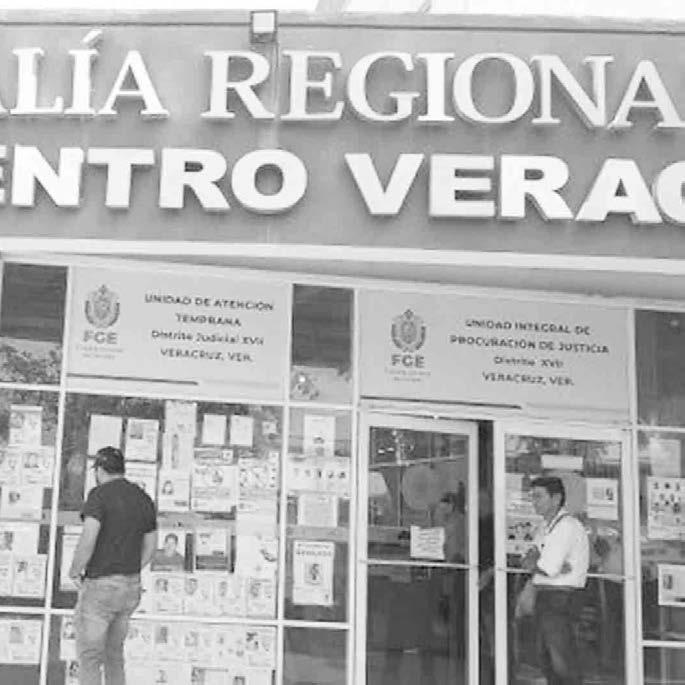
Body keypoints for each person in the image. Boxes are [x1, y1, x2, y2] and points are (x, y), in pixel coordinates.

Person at [68, 446, 157, 685]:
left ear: (99, 470)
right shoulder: (143, 498)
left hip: (100, 587)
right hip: (130, 587)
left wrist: (75, 570)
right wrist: (128, 571)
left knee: (90, 657)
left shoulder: (99, 495)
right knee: (114, 655)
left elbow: (88, 538)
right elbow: (150, 547)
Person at [522, 476, 589, 685]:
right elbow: (528, 559)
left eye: (539, 496)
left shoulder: (566, 526)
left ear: (556, 498)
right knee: (546, 658)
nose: (534, 502)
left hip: (561, 597)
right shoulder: (545, 526)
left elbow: (546, 567)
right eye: (532, 497)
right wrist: (541, 563)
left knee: (561, 660)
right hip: (545, 595)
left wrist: (540, 564)